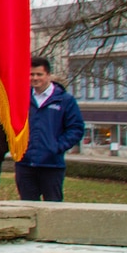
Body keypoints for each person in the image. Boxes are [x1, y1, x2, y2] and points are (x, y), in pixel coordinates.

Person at [15, 55, 85, 202]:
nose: (35, 78)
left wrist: (57, 146)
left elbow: (76, 129)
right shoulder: (21, 98)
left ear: (48, 75)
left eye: (39, 74)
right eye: (31, 74)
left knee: (53, 210)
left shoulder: (65, 100)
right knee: (27, 208)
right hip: (25, 164)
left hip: (52, 165)